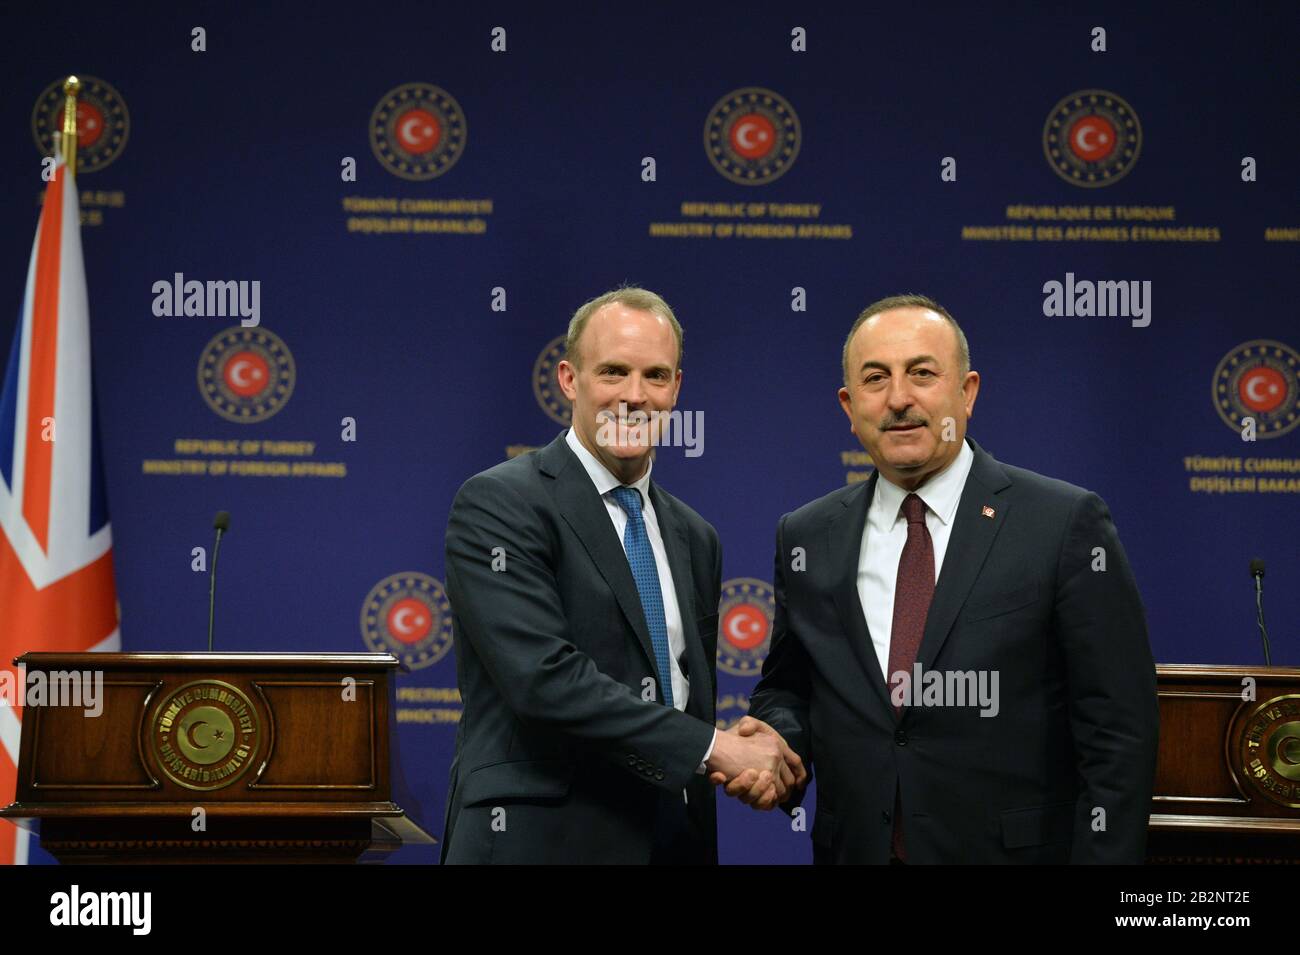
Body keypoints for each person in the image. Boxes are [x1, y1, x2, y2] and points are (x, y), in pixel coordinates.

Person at [743, 293, 1159, 864]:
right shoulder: (807, 535)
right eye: (875, 379)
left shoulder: (1062, 522)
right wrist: (777, 744)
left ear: (967, 393)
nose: (898, 399)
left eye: (921, 373)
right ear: (848, 404)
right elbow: (790, 686)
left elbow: (1117, 732)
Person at [440, 287, 803, 864]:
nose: (634, 397)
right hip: (538, 843)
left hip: (670, 841)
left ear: (676, 389)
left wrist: (755, 759)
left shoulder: (695, 536)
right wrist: (715, 749)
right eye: (613, 372)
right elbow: (543, 680)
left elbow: (683, 699)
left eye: (655, 376)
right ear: (568, 379)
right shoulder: (500, 503)